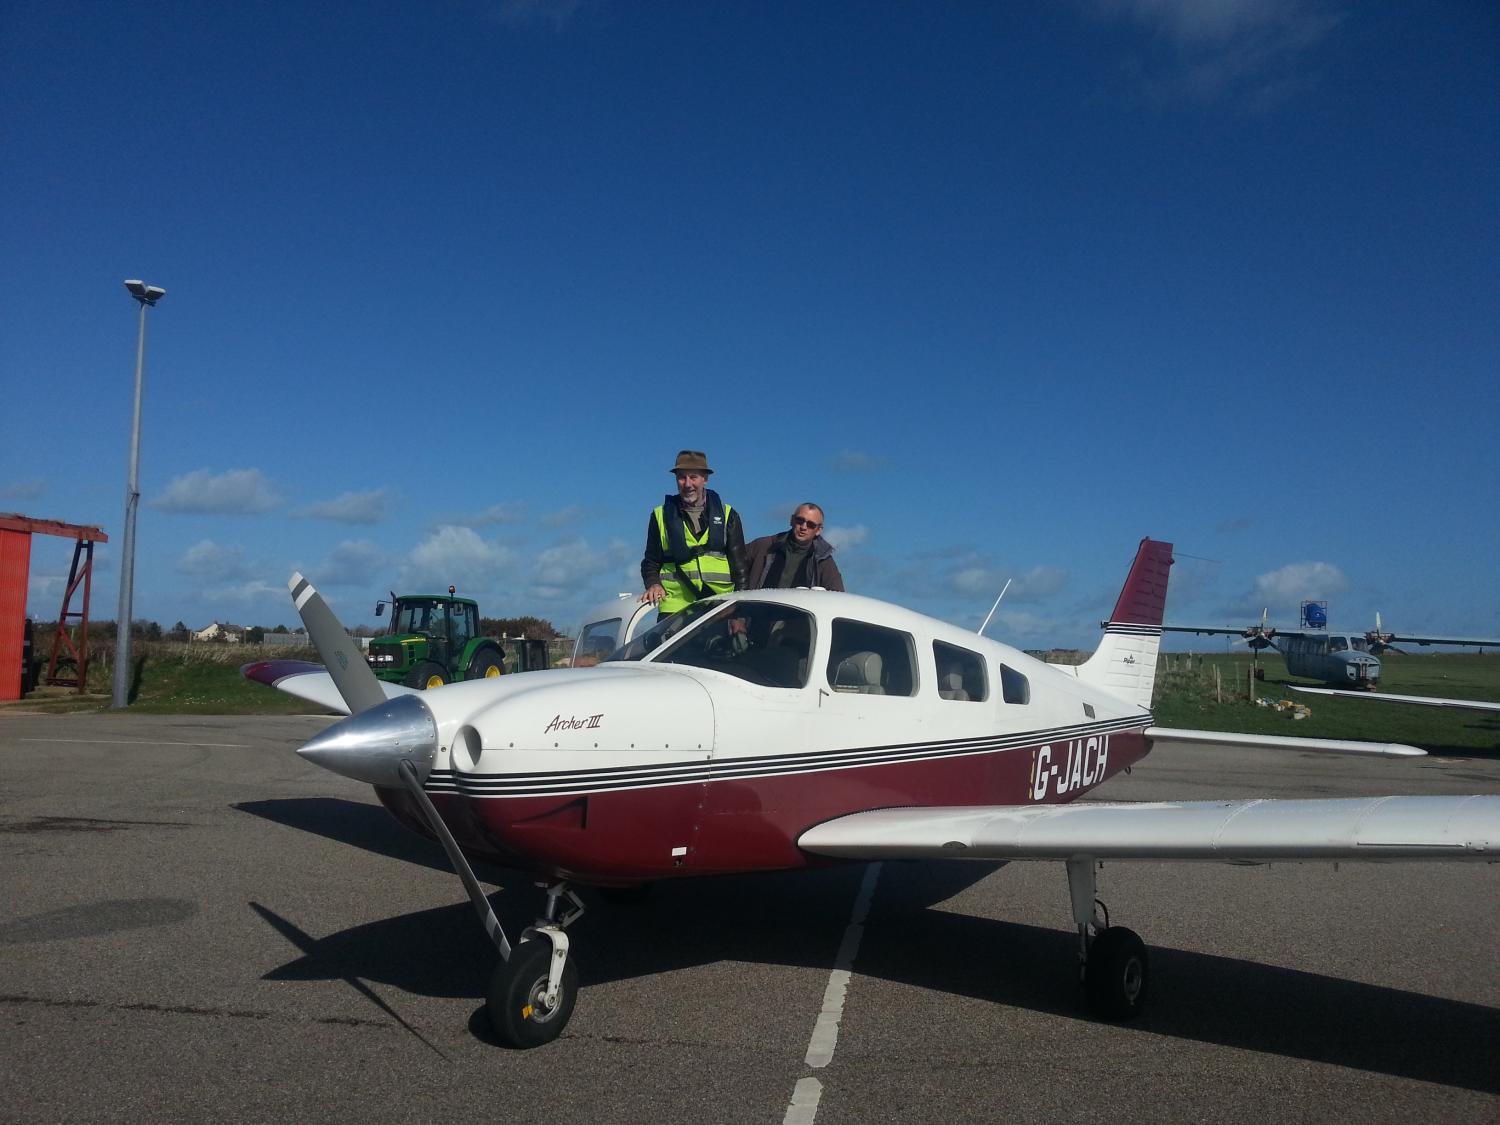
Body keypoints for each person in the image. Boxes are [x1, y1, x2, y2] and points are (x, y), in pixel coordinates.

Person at [641, 450, 748, 615]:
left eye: (693, 477)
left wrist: (739, 614)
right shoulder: (659, 516)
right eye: (682, 477)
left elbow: (740, 568)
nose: (687, 484)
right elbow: (650, 562)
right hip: (675, 609)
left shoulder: (728, 515)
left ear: (705, 479)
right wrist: (653, 584)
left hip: (720, 607)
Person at [744, 503, 845, 591]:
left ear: (818, 530)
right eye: (800, 520)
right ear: (792, 520)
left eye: (811, 524)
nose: (803, 527)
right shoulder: (763, 546)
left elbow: (838, 597)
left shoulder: (823, 560)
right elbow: (732, 567)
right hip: (755, 611)